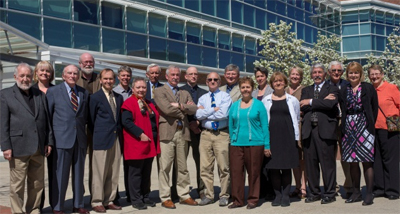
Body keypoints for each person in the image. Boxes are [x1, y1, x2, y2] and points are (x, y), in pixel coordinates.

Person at [1, 63, 53, 214]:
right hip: (18, 147)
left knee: (37, 183)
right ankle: (17, 211)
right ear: (15, 77)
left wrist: (48, 141)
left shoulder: (40, 95)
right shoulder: (5, 95)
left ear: (33, 76)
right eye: (22, 76)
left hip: (38, 147)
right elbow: (3, 123)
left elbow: (46, 121)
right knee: (17, 185)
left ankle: (34, 209)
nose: (25, 79)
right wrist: (5, 146)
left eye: (28, 76)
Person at [47, 65, 90, 214]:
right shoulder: (53, 92)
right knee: (60, 175)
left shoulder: (84, 93)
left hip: (80, 139)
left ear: (78, 76)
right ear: (63, 75)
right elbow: (49, 117)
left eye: (75, 73)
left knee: (79, 175)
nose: (72, 75)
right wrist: (50, 141)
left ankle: (78, 204)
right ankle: (58, 206)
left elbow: (84, 116)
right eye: (69, 73)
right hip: (61, 139)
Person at [153, 65, 198, 209]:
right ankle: (165, 197)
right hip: (167, 133)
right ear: (166, 76)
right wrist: (183, 111)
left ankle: (184, 194)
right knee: (165, 167)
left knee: (183, 167)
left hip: (182, 132)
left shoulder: (184, 92)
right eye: (172, 75)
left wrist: (178, 105)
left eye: (177, 75)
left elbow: (194, 108)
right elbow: (165, 108)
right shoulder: (159, 91)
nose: (175, 77)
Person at [339, 62, 378, 206]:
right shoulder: (344, 89)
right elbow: (343, 108)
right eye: (350, 72)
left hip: (365, 127)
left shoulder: (367, 88)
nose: (353, 75)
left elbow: (374, 108)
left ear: (360, 74)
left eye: (356, 72)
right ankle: (356, 192)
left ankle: (369, 193)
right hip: (349, 126)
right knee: (352, 161)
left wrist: (368, 125)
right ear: (347, 74)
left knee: (367, 161)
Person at [300, 63, 339, 204]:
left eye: (320, 72)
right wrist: (320, 102)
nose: (317, 74)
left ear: (325, 74)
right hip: (309, 131)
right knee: (311, 164)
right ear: (311, 75)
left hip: (325, 130)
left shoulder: (333, 88)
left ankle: (329, 193)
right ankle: (314, 192)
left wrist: (311, 102)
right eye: (314, 72)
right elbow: (302, 105)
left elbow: (330, 105)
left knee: (327, 164)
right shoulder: (306, 90)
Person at [228, 77, 269, 209]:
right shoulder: (234, 106)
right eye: (243, 87)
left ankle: (252, 199)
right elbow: (231, 125)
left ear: (252, 89)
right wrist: (232, 139)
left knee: (254, 172)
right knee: (236, 172)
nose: (245, 90)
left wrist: (267, 145)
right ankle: (238, 200)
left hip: (255, 144)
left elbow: (264, 126)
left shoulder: (258, 105)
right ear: (240, 89)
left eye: (248, 87)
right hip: (236, 144)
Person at [121, 77, 160, 210]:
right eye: (138, 87)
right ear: (133, 89)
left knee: (146, 172)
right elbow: (126, 122)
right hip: (136, 142)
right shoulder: (129, 103)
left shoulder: (149, 103)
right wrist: (140, 133)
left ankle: (145, 196)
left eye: (143, 87)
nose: (141, 90)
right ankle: (136, 199)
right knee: (135, 173)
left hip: (150, 143)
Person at [263, 72, 300, 207]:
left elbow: (295, 118)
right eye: (275, 81)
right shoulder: (266, 100)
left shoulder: (292, 100)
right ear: (272, 84)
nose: (278, 83)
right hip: (272, 136)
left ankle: (285, 195)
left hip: (287, 136)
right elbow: (264, 120)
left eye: (280, 81)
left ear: (285, 82)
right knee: (273, 167)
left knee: (286, 167)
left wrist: (296, 137)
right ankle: (277, 195)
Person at [89, 69, 124, 212]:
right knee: (99, 172)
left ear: (114, 80)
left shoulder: (119, 97)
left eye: (111, 79)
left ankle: (109, 199)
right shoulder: (95, 98)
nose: (108, 81)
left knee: (113, 171)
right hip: (101, 139)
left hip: (116, 139)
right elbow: (91, 120)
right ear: (100, 80)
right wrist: (98, 134)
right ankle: (97, 201)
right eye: (106, 79)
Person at [196, 72, 232, 207]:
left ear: (219, 81)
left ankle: (224, 195)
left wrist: (206, 112)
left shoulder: (225, 96)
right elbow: (198, 115)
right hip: (205, 135)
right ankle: (209, 195)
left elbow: (223, 114)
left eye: (215, 79)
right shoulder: (202, 98)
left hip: (221, 135)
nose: (212, 81)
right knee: (205, 167)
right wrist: (213, 109)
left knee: (224, 167)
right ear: (206, 82)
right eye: (210, 79)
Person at [368, 64, 400, 200]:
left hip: (390, 129)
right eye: (372, 74)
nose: (374, 77)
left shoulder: (391, 88)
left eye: (377, 74)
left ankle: (393, 189)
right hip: (373, 129)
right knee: (377, 160)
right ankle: (379, 188)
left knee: (390, 160)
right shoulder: (369, 90)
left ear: (382, 74)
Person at [179, 67, 207, 199]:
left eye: (196, 74)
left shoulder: (204, 93)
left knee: (200, 162)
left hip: (198, 131)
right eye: (191, 74)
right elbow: (180, 110)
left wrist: (197, 123)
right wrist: (191, 120)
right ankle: (180, 191)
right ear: (186, 76)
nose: (193, 76)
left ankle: (201, 190)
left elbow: (206, 111)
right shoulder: (179, 91)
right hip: (183, 130)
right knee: (181, 163)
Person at [32, 61, 56, 210]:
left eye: (47, 71)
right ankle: (38, 206)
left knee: (55, 173)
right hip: (37, 137)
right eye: (41, 70)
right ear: (36, 72)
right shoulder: (30, 90)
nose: (44, 73)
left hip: (57, 137)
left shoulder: (57, 89)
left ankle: (56, 204)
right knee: (37, 176)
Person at [326, 61, 352, 198]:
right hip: (329, 122)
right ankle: (332, 187)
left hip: (345, 121)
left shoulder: (348, 85)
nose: (336, 73)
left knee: (346, 155)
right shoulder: (324, 86)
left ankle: (348, 187)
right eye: (334, 70)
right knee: (330, 156)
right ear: (329, 72)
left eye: (339, 71)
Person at [251, 66, 274, 200]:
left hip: (268, 129)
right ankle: (260, 190)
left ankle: (270, 190)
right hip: (255, 132)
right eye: (258, 76)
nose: (260, 78)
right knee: (257, 163)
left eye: (262, 76)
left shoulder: (271, 91)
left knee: (268, 162)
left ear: (266, 76)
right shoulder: (253, 93)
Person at [285, 66, 307, 199]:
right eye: (292, 74)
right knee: (294, 158)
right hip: (287, 128)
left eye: (297, 75)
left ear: (301, 77)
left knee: (302, 158)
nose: (294, 77)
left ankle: (304, 186)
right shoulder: (284, 90)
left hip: (300, 126)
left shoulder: (305, 90)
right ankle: (297, 185)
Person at [112, 65, 133, 203]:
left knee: (130, 165)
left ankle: (132, 194)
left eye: (128, 75)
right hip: (118, 132)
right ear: (118, 77)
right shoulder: (114, 92)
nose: (125, 78)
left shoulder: (134, 91)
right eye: (123, 75)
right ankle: (114, 195)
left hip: (131, 133)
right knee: (114, 165)